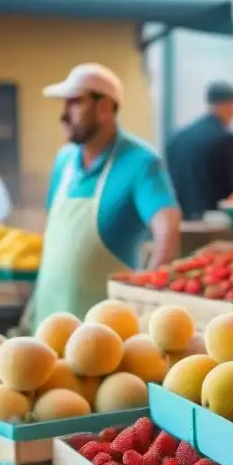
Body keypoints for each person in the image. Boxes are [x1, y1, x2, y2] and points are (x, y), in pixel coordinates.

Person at [31, 63, 181, 325]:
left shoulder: (140, 162)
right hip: (47, 317)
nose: (64, 115)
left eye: (75, 103)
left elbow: (167, 227)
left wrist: (148, 293)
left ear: (105, 108)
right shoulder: (64, 161)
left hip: (104, 331)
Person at [165, 81, 233, 219]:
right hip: (213, 220)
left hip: (181, 219)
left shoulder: (177, 138)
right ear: (228, 105)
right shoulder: (225, 138)